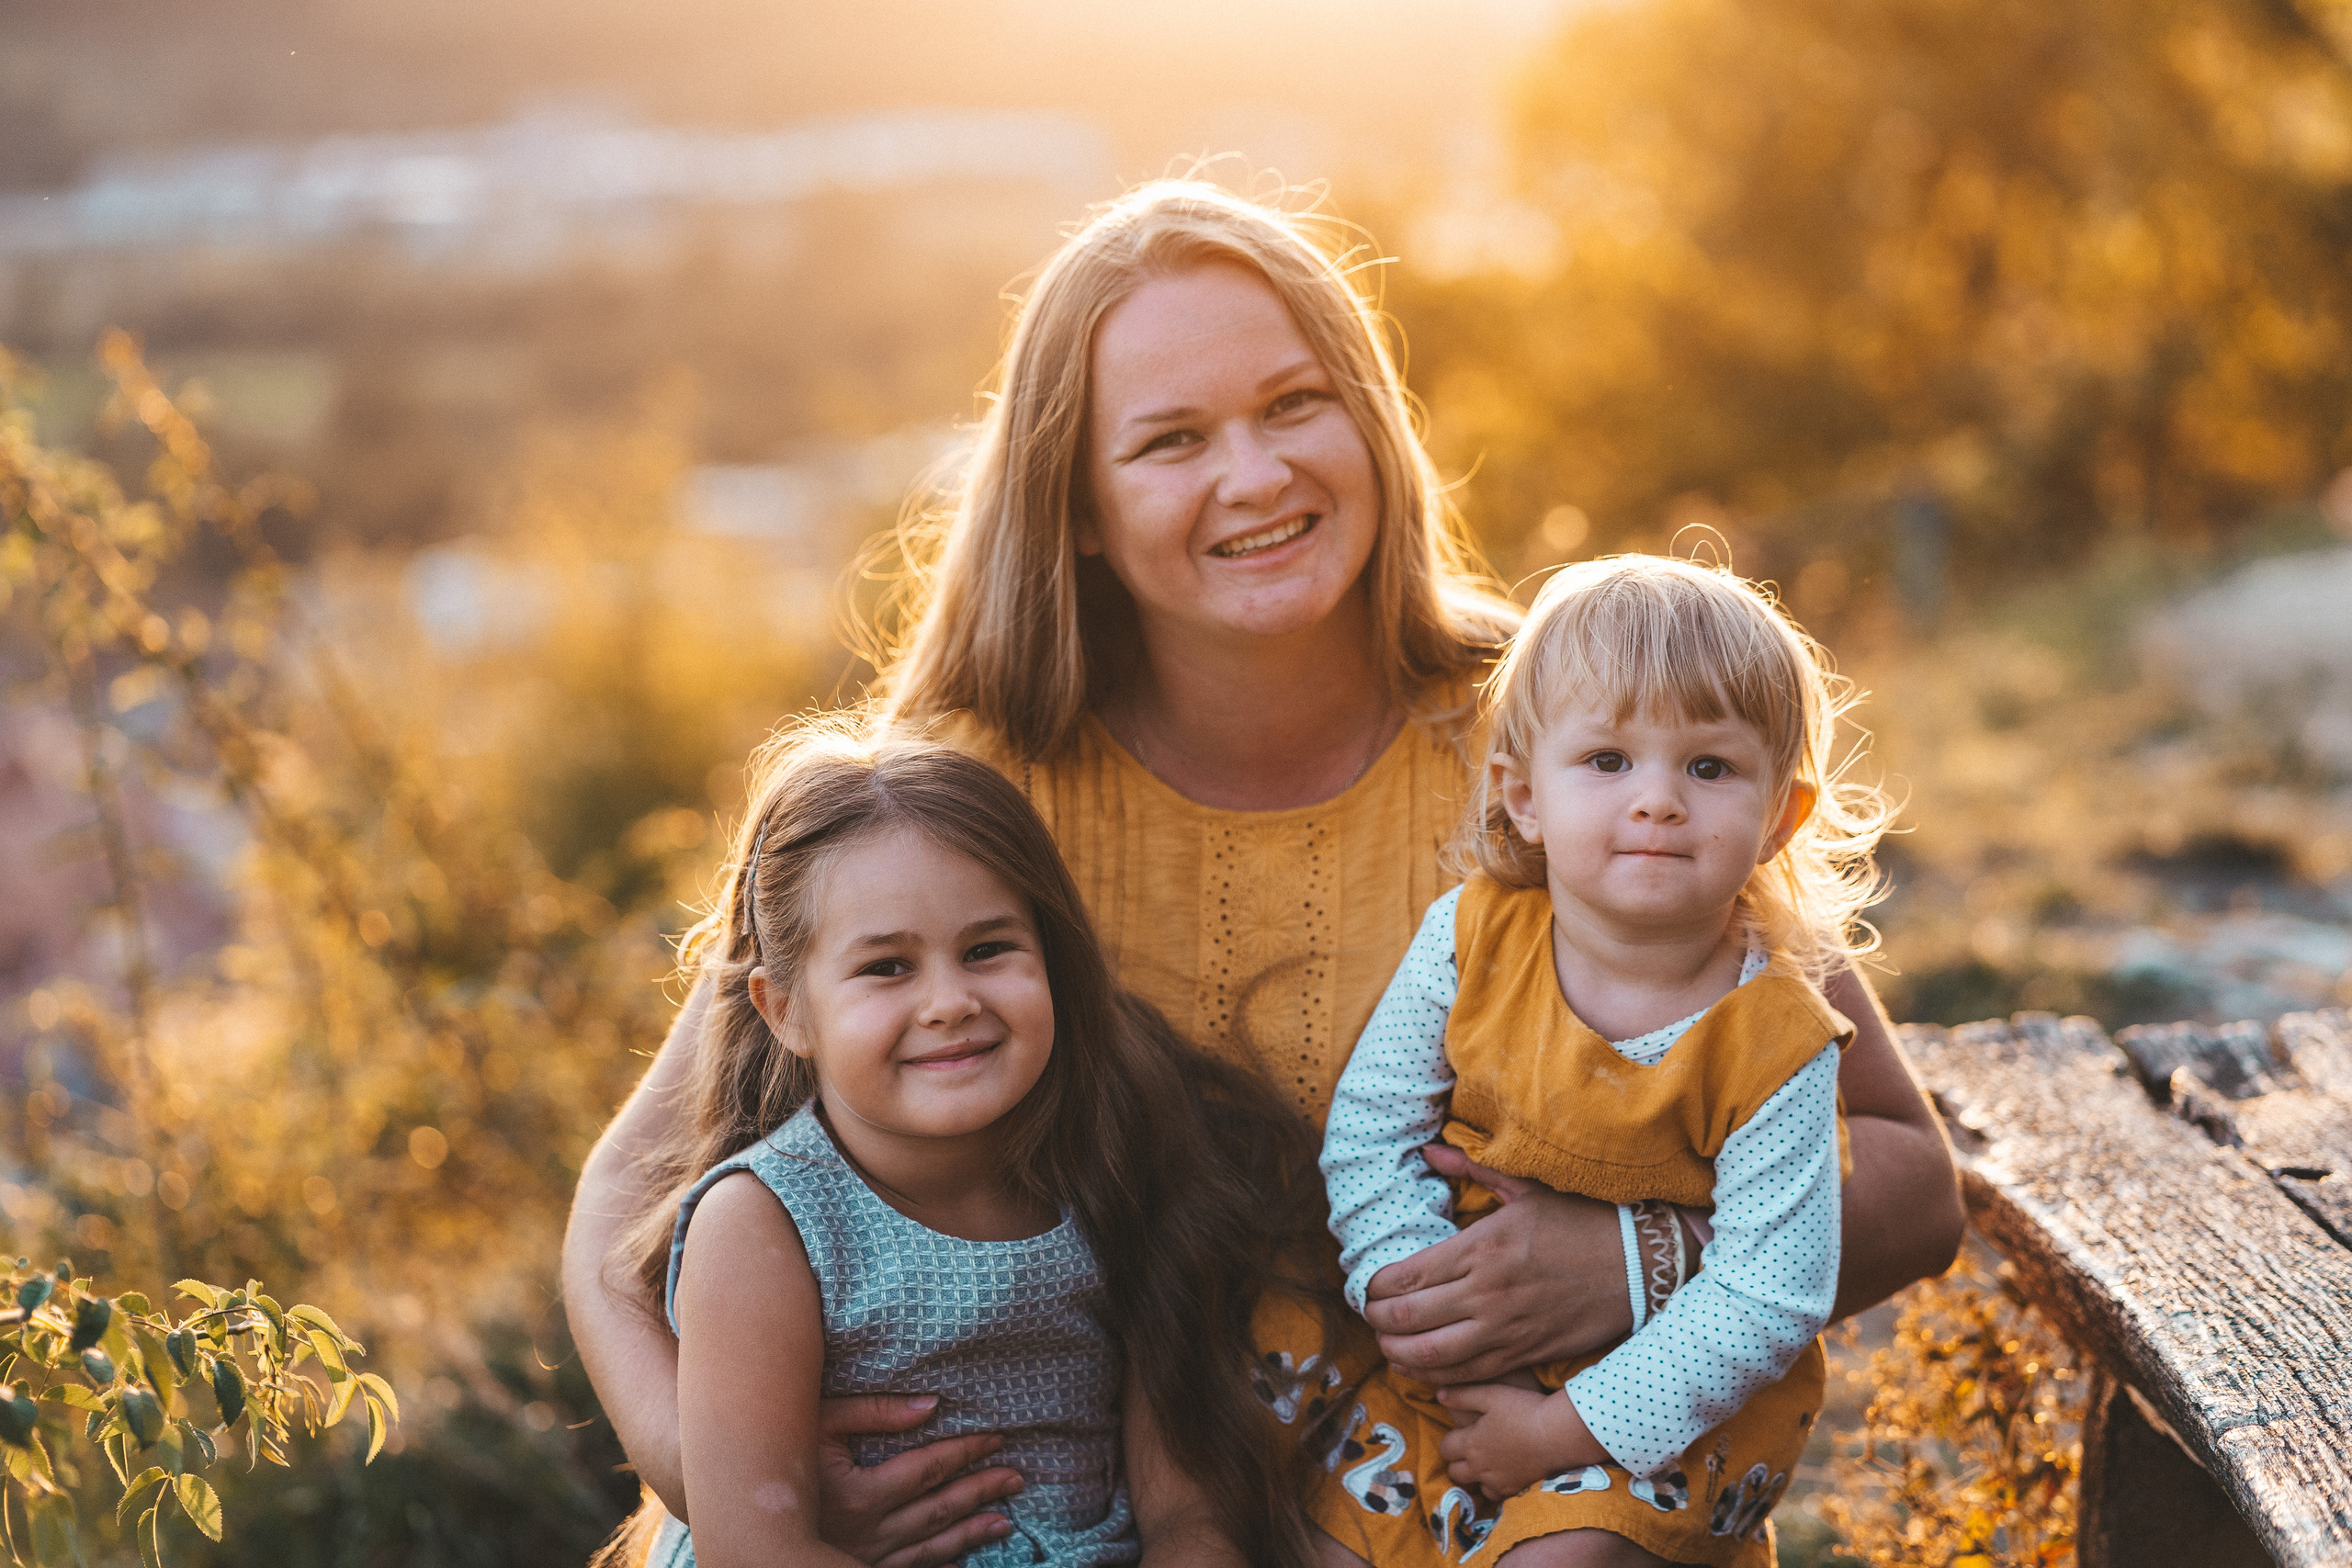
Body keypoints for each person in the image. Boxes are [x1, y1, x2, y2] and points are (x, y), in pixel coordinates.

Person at [561, 181, 1966, 1566]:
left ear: (1372, 418)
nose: (1256, 473)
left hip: (1544, 1494)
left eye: (1296, 404)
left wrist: (1632, 1260)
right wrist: (747, 1487)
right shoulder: (971, 787)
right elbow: (625, 1214)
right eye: (1173, 439)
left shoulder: (1573, 735)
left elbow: (1908, 1174)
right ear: (1085, 508)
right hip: (1125, 1521)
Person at [608, 728, 1337, 1568]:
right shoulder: (764, 1226)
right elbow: (757, 1550)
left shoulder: (1108, 1173)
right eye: (887, 967)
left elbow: (1187, 1513)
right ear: (786, 1012)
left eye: (988, 950)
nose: (950, 1001)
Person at [1314, 557, 1891, 1566]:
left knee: (1572, 1557)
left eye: (1708, 768)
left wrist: (1555, 1432)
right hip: (1450, 1343)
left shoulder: (1777, 1038)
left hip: (1664, 1399)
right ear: (1521, 795)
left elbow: (1770, 1292)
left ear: (1779, 818)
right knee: (1321, 1522)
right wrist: (1411, 1290)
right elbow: (1371, 1125)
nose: (1658, 801)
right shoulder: (1470, 936)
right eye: (1608, 761)